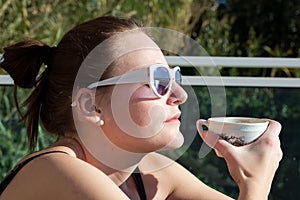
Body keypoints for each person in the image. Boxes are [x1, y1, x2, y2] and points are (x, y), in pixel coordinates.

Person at [0, 16, 282, 200]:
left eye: (174, 77)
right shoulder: (58, 171)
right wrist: (256, 184)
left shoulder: (148, 174)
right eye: (158, 81)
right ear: (91, 105)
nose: (180, 95)